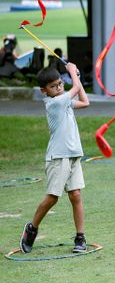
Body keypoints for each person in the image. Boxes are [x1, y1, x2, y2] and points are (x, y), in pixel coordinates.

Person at [20, 62, 90, 254]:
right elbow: (75, 88)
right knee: (52, 198)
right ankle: (32, 229)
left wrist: (74, 75)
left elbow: (85, 102)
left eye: (60, 83)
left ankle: (80, 237)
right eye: (53, 86)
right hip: (58, 157)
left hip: (74, 154)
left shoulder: (64, 99)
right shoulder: (54, 103)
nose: (59, 88)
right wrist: (73, 74)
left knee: (76, 195)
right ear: (44, 91)